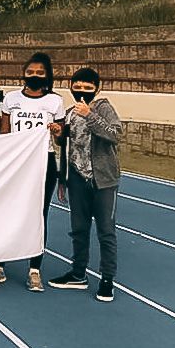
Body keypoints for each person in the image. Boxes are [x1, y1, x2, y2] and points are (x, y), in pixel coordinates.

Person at [0, 52, 65, 292]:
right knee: (5, 211)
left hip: (43, 162)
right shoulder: (11, 99)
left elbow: (60, 139)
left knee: (39, 215)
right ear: (24, 74)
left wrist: (57, 131)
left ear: (47, 75)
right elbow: (4, 133)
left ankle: (34, 269)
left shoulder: (55, 101)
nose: (35, 76)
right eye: (30, 72)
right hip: (15, 162)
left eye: (40, 73)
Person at [49, 68, 123, 302]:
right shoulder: (70, 113)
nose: (81, 92)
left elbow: (115, 134)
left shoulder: (103, 108)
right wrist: (59, 133)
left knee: (106, 231)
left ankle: (107, 279)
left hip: (103, 180)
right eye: (77, 87)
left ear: (97, 89)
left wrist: (90, 114)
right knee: (79, 229)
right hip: (77, 179)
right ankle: (78, 274)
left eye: (87, 88)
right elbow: (68, 144)